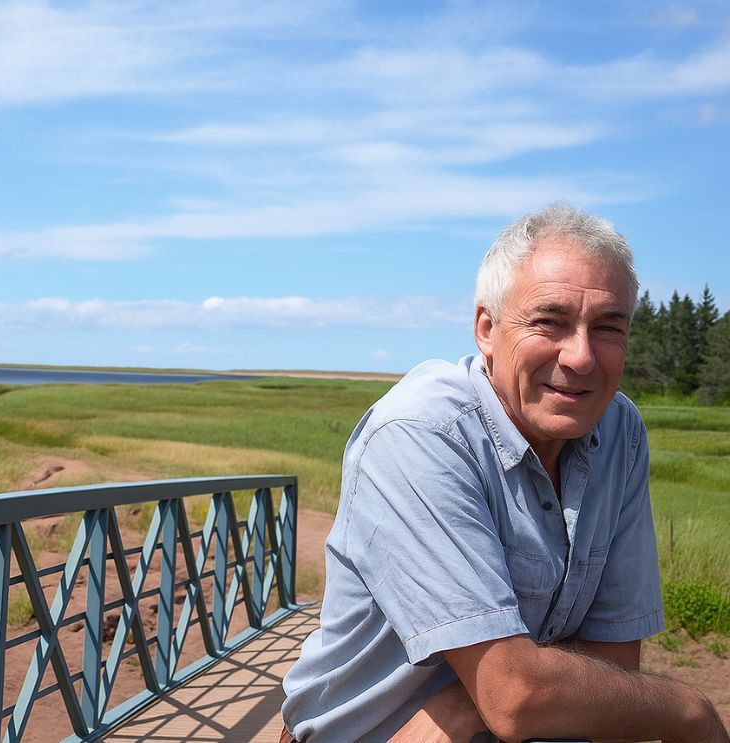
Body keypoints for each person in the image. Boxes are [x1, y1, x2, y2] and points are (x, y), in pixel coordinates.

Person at [280, 204, 730, 742]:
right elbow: (517, 698)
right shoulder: (421, 432)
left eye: (608, 327)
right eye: (550, 321)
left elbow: (615, 660)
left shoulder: (619, 430)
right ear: (486, 329)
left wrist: (481, 700)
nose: (582, 357)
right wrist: (687, 709)